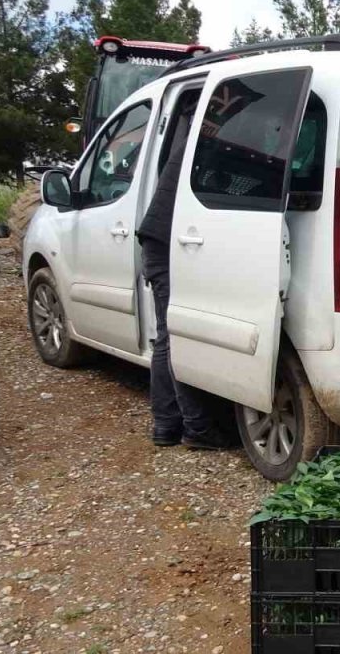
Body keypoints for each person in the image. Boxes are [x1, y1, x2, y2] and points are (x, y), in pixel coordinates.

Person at [134, 96, 235, 450]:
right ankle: (197, 428)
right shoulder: (207, 144)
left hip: (162, 240)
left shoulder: (197, 137)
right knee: (175, 335)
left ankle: (167, 425)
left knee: (168, 335)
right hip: (167, 242)